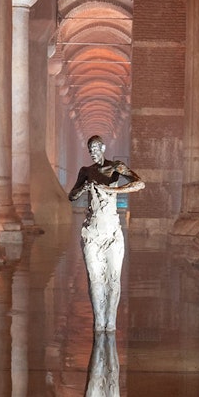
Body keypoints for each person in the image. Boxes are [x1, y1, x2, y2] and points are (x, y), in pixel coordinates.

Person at [68, 135, 145, 332]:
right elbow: (71, 196)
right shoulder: (86, 171)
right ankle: (99, 321)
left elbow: (139, 183)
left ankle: (110, 322)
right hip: (92, 232)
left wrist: (113, 190)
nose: (92, 152)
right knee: (95, 278)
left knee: (113, 279)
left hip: (112, 232)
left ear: (103, 148)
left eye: (95, 148)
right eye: (90, 149)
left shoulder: (115, 167)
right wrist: (84, 188)